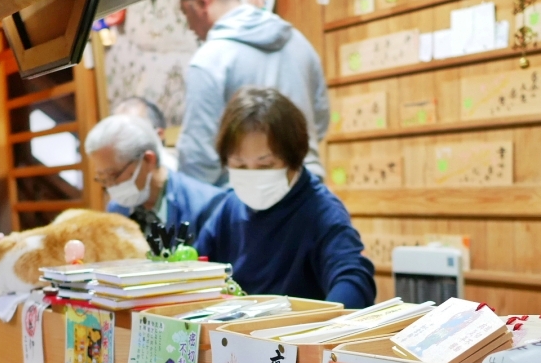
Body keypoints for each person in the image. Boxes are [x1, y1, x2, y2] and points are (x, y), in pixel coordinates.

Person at [195, 87, 375, 308]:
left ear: (294, 160)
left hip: (294, 335)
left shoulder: (322, 211)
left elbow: (354, 279)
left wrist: (323, 329)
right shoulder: (230, 207)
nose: (251, 176)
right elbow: (195, 270)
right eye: (240, 165)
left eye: (265, 165)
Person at [177, 0, 330, 186]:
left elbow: (198, 160)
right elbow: (320, 121)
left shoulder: (210, 60)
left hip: (246, 203)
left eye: (185, 13)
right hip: (307, 193)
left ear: (201, 0)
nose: (188, 26)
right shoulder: (300, 43)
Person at [85, 113, 227, 236]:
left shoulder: (206, 205)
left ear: (148, 160)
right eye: (103, 179)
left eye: (113, 175)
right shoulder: (117, 209)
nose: (110, 186)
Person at [111, 96, 177, 170]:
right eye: (117, 132)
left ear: (159, 135)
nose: (121, 141)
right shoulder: (116, 172)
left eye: (131, 133)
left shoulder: (173, 173)